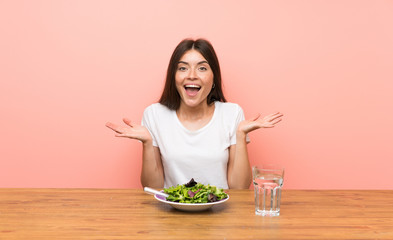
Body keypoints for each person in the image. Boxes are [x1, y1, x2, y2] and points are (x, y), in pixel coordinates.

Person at [106, 38, 283, 189]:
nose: (191, 75)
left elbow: (239, 188)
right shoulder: (154, 115)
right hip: (171, 216)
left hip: (220, 217)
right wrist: (147, 143)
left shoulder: (232, 113)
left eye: (202, 68)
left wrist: (241, 135)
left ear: (214, 78)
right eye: (183, 68)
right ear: (173, 77)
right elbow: (153, 188)